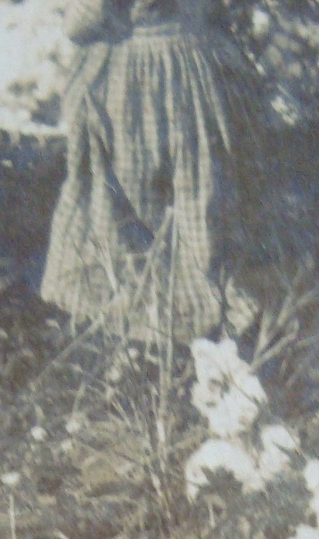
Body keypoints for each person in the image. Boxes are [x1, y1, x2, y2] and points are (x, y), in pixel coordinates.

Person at [40, 0, 267, 342]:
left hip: (141, 80)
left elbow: (83, 22)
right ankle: (206, 307)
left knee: (132, 204)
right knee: (198, 194)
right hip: (205, 69)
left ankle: (146, 323)